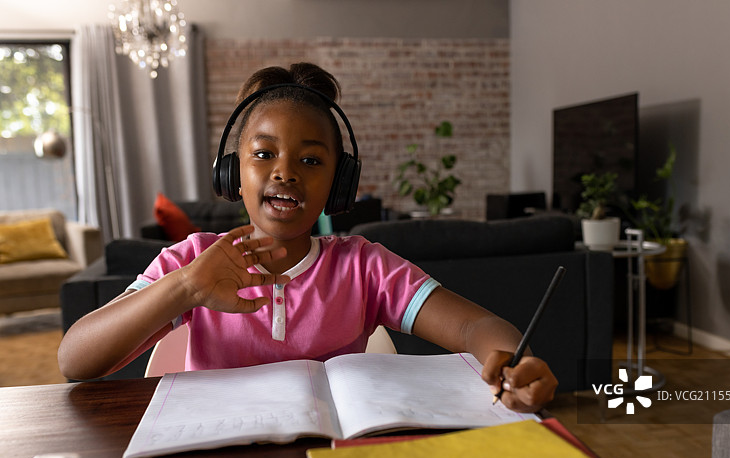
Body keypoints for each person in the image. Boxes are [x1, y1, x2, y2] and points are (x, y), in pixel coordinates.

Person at [58, 62, 557, 413]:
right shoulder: (193, 260)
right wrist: (185, 287)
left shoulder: (365, 267)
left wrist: (515, 362)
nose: (286, 173)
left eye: (312, 160)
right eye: (263, 154)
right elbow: (75, 360)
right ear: (232, 173)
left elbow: (476, 330)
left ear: (340, 183)